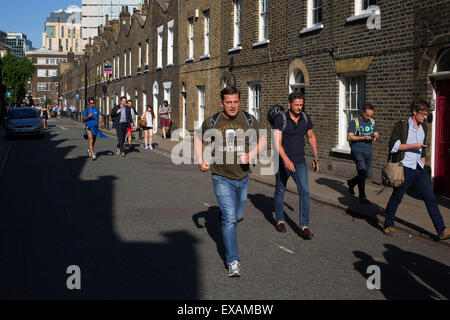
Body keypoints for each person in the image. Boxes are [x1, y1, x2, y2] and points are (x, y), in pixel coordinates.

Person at [194, 86, 266, 277]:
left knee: (237, 216)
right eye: (228, 102)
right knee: (229, 218)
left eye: (235, 102)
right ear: (221, 103)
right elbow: (197, 138)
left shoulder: (249, 120)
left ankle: (222, 218)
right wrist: (201, 160)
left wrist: (251, 154)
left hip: (242, 177)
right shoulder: (213, 121)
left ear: (239, 102)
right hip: (220, 176)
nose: (233, 106)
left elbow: (264, 140)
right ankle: (233, 261)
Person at [383, 99, 450, 240]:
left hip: (419, 169)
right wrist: (414, 145)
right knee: (397, 197)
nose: (425, 117)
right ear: (414, 112)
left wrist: (423, 161)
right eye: (423, 114)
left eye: (426, 114)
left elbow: (423, 148)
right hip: (405, 168)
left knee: (430, 199)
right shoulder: (402, 126)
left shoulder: (423, 127)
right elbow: (394, 146)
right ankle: (388, 224)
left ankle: (441, 230)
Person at [272, 91, 319, 239]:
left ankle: (303, 226)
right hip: (282, 161)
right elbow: (276, 143)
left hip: (299, 162)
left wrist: (316, 156)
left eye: (301, 105)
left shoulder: (305, 118)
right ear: (289, 104)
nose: (299, 108)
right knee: (280, 190)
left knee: (305, 192)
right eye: (296, 105)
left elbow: (311, 137)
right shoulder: (281, 119)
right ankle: (280, 220)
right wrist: (285, 159)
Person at [346, 103, 380, 204]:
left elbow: (377, 133)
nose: (369, 117)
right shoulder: (355, 122)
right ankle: (362, 196)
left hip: (368, 150)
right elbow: (349, 137)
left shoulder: (372, 122)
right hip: (357, 150)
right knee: (362, 172)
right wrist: (364, 138)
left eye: (371, 115)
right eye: (367, 115)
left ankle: (352, 182)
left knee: (367, 174)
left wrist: (375, 136)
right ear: (362, 112)